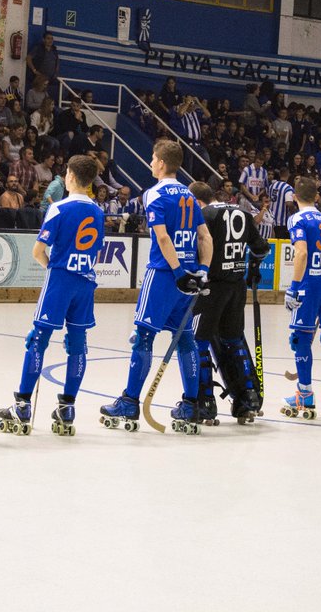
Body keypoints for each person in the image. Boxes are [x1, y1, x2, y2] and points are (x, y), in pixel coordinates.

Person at [100, 141, 212, 433]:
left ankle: (129, 401)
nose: (150, 163)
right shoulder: (189, 194)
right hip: (189, 276)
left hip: (165, 275)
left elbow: (162, 239)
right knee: (185, 340)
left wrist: (176, 272)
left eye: (152, 158)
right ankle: (190, 404)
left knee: (144, 337)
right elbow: (205, 237)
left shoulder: (154, 194)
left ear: (162, 163)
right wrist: (201, 271)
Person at [0, 155, 104, 437]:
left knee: (38, 339)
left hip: (61, 280)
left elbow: (37, 251)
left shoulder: (58, 209)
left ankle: (22, 405)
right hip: (86, 282)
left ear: (69, 176)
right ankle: (67, 408)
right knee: (78, 344)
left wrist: (54, 268)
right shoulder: (98, 211)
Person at [188, 181, 269, 424]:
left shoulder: (204, 214)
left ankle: (205, 403)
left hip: (211, 287)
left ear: (197, 201)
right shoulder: (243, 212)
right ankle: (247, 399)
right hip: (236, 287)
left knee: (199, 342)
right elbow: (261, 248)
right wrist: (253, 267)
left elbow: (198, 248)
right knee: (233, 340)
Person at [281, 177, 321, 419]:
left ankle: (305, 395)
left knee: (300, 340)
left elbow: (302, 252)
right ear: (316, 196)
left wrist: (294, 287)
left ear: (294, 197)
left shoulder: (296, 218)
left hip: (309, 284)